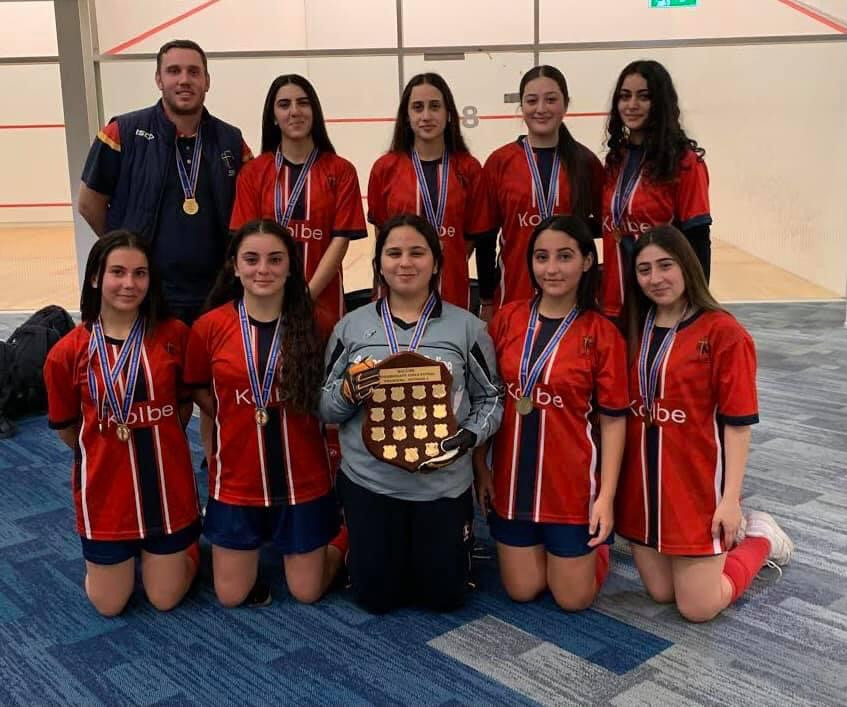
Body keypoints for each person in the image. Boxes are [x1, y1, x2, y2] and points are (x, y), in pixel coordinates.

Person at [320, 213, 503, 613]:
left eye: (417, 253)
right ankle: (356, 542)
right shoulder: (351, 328)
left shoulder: (468, 328)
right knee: (375, 599)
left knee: (444, 599)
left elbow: (491, 398)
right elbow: (325, 406)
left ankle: (449, 547)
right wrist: (348, 393)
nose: (405, 263)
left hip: (441, 485)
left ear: (436, 263)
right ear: (379, 264)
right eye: (394, 253)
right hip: (371, 482)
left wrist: (470, 436)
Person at [616, 225, 793, 622]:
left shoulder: (724, 332)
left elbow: (738, 425)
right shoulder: (631, 327)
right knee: (661, 594)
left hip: (696, 486)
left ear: (687, 265)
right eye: (644, 269)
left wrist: (729, 501)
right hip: (642, 486)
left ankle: (760, 537)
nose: (655, 278)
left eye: (666, 265)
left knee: (698, 607)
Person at [183, 219, 346, 607]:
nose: (263, 270)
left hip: (303, 478)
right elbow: (199, 386)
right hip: (237, 480)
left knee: (307, 592)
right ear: (235, 266)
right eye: (251, 259)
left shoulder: (319, 322)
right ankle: (180, 547)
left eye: (275, 259)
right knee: (231, 596)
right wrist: (233, 410)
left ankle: (346, 533)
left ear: (290, 267)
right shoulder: (209, 327)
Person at [474, 215, 627, 611]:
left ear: (587, 261)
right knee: (522, 590)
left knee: (573, 600)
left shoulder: (603, 333)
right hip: (512, 483)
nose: (552, 269)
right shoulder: (507, 319)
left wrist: (606, 498)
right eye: (542, 257)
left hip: (570, 487)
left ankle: (595, 553)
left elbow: (613, 421)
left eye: (565, 256)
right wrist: (481, 468)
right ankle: (557, 554)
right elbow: (486, 399)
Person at [44, 231, 200, 616]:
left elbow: (182, 407)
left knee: (165, 599)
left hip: (166, 493)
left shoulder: (175, 336)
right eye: (118, 272)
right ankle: (120, 556)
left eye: (140, 273)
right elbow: (67, 428)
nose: (129, 283)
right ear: (96, 277)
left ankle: (189, 545)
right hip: (106, 496)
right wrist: (104, 444)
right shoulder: (67, 352)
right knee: (109, 605)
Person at [78, 39, 252, 326]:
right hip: (148, 292)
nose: (184, 80)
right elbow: (88, 203)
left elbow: (249, 208)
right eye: (174, 71)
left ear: (207, 81)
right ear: (159, 79)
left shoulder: (231, 140)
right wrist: (124, 249)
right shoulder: (122, 132)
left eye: (193, 72)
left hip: (216, 293)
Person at [230, 74, 367, 336]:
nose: (295, 111)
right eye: (284, 105)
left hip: (323, 304)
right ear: (273, 116)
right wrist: (276, 297)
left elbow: (339, 241)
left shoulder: (341, 171)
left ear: (314, 111)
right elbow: (247, 243)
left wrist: (305, 296)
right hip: (265, 303)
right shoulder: (253, 173)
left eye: (303, 103)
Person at [479, 65, 604, 319]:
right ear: (521, 106)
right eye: (532, 100)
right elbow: (486, 240)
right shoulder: (499, 162)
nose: (541, 109)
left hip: (573, 299)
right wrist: (486, 301)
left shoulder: (586, 162)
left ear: (565, 104)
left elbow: (603, 227)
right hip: (514, 296)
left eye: (551, 100)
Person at [368, 73, 492, 310]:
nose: (426, 116)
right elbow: (382, 233)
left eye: (435, 106)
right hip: (396, 293)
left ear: (448, 114)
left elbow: (470, 238)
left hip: (452, 293)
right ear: (406, 116)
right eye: (417, 107)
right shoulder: (385, 168)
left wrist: (439, 258)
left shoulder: (469, 168)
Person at [601, 60, 711, 319]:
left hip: (661, 306)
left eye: (644, 97)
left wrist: (696, 309)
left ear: (660, 102)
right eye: (625, 96)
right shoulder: (615, 160)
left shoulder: (686, 163)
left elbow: (698, 240)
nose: (632, 105)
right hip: (613, 305)